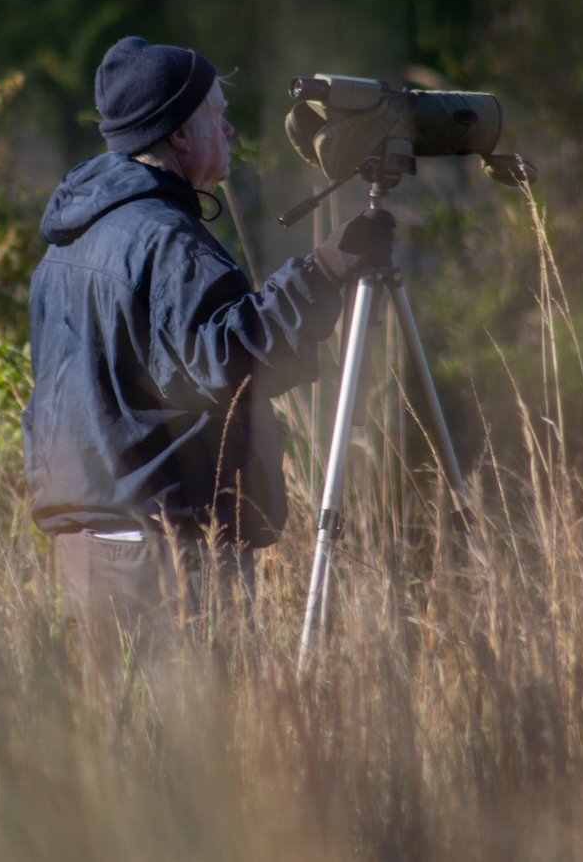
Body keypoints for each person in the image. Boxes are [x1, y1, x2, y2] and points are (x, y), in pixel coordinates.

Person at [23, 35, 395, 644]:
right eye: (217, 117)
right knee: (198, 737)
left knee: (111, 738)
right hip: (165, 557)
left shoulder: (76, 233)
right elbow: (235, 362)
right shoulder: (166, 240)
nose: (229, 132)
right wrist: (325, 271)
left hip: (88, 550)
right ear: (177, 135)